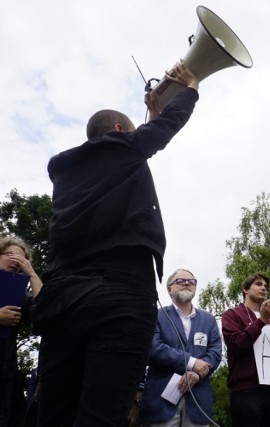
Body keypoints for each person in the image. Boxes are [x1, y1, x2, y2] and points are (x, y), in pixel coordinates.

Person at [33, 61, 200, 426]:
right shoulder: (123, 148)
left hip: (63, 299)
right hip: (119, 295)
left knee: (55, 413)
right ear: (121, 129)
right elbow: (161, 132)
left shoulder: (66, 170)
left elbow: (139, 141)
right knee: (103, 415)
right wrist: (189, 87)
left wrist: (153, 111)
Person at [139, 268, 221, 427]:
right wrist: (191, 362)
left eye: (191, 282)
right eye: (180, 281)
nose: (187, 284)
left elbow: (215, 353)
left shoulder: (209, 320)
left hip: (198, 401)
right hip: (161, 403)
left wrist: (197, 374)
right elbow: (153, 348)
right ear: (169, 289)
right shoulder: (156, 315)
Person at [222, 272, 270, 427]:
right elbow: (236, 343)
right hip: (246, 391)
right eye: (258, 284)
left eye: (265, 286)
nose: (263, 288)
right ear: (245, 289)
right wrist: (260, 321)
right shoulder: (232, 314)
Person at [0, 236, 42, 427]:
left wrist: (31, 273)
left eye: (21, 260)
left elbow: (46, 314)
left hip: (5, 378)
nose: (15, 260)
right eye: (9, 254)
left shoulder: (20, 298)